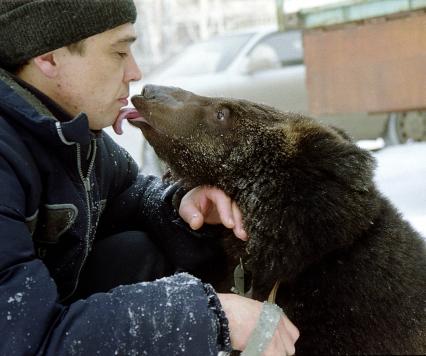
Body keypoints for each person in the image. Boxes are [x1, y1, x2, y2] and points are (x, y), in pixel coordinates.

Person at [0, 1, 299, 355]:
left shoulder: (70, 136)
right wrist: (212, 317)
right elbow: (25, 342)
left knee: (138, 249)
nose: (135, 71)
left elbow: (129, 195)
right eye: (119, 52)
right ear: (49, 58)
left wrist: (180, 204)